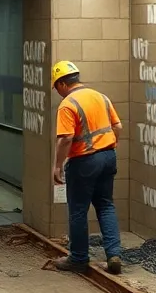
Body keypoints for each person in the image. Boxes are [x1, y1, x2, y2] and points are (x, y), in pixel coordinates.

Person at [49, 60, 124, 275]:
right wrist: (108, 146)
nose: (57, 92)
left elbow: (66, 139)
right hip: (108, 156)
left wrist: (57, 166)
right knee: (105, 205)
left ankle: (79, 258)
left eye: (56, 87)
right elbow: (118, 127)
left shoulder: (68, 104)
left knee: (78, 210)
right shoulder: (101, 96)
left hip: (84, 161)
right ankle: (114, 255)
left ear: (62, 83)